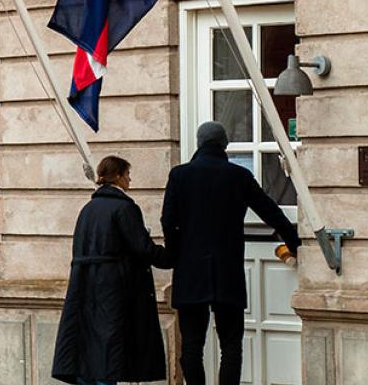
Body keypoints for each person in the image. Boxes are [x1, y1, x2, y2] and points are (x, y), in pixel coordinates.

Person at [163, 121, 302, 385]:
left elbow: (168, 221)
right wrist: (293, 241)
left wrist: (174, 253)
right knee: (231, 345)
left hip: (190, 269)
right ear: (224, 144)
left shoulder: (179, 175)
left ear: (199, 142)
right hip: (227, 268)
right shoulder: (238, 175)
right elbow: (270, 211)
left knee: (192, 345)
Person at [52, 155, 171, 385]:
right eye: (127, 174)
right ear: (117, 176)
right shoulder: (124, 208)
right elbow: (142, 248)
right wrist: (171, 256)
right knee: (110, 351)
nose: (130, 179)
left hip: (86, 287)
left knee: (89, 352)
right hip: (114, 289)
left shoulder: (87, 209)